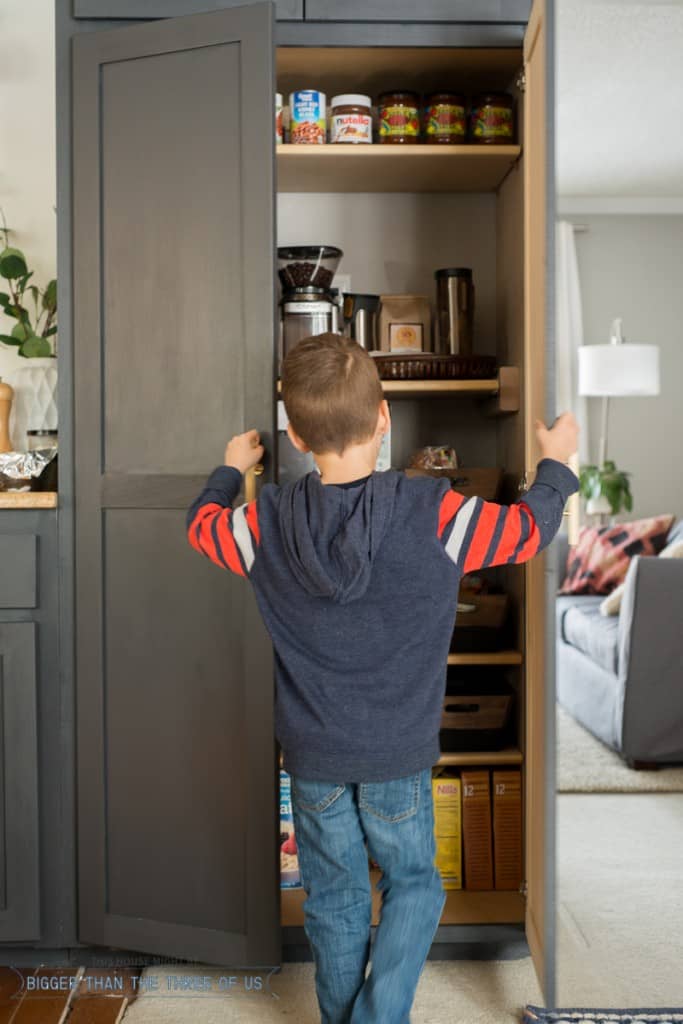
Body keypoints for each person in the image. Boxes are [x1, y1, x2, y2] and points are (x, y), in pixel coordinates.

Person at [186, 332, 579, 1024]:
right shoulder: (439, 512)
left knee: (333, 898)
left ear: (295, 436)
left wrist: (229, 470)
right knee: (416, 886)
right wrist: (554, 466)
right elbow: (526, 532)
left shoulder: (262, 521)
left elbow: (201, 528)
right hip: (397, 757)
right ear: (384, 417)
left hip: (313, 762)